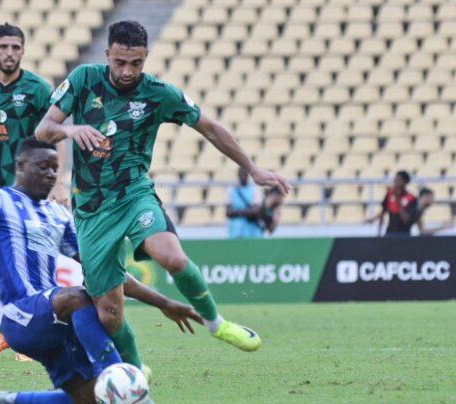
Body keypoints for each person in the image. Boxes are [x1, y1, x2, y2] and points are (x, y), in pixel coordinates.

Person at [35, 20, 290, 369]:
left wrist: (255, 168)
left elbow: (211, 129)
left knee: (172, 257)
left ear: (146, 57)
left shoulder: (158, 93)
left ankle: (216, 323)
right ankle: (138, 373)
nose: (128, 71)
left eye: (136, 63)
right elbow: (43, 129)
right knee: (109, 314)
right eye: (120, 62)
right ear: (108, 53)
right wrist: (72, 128)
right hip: (92, 209)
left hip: (134, 194)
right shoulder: (82, 80)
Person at [0, 139, 201, 404]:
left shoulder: (57, 215)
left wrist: (164, 303)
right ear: (21, 166)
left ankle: (10, 400)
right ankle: (126, 384)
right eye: (43, 166)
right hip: (18, 316)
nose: (51, 174)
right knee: (80, 297)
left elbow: (106, 272)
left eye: (55, 167)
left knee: (87, 402)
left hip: (54, 324)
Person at [0, 23, 68, 361]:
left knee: (31, 267)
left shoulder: (37, 88)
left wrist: (58, 181)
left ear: (23, 51)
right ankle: (3, 328)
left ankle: (33, 337)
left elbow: (56, 135)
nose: (9, 53)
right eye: (4, 47)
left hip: (27, 190)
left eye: (15, 47)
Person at [365, 170, 418, 237]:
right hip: (390, 233)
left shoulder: (412, 198)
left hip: (404, 234)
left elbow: (406, 220)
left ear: (405, 182)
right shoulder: (389, 195)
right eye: (395, 179)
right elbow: (383, 211)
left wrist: (397, 199)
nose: (395, 182)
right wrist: (379, 232)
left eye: (399, 180)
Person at [226, 168, 264, 238]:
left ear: (248, 175)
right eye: (241, 174)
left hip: (252, 232)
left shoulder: (254, 190)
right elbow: (228, 212)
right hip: (235, 232)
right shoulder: (231, 190)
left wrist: (238, 212)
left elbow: (255, 211)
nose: (243, 176)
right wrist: (247, 212)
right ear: (238, 175)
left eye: (245, 174)